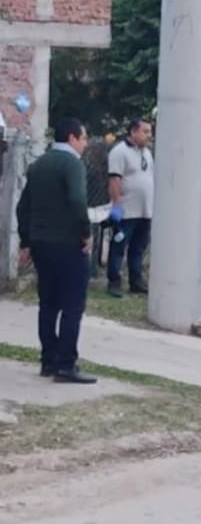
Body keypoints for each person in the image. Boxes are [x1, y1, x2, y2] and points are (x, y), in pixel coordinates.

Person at [16, 118, 96, 383]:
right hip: (68, 242)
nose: (85, 144)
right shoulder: (72, 164)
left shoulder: (40, 164)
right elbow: (77, 200)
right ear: (72, 138)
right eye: (83, 138)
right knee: (72, 305)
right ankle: (66, 364)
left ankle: (48, 360)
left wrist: (26, 241)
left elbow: (23, 207)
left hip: (41, 242)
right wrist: (85, 232)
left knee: (48, 304)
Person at [105, 118, 154, 297]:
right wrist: (116, 205)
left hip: (145, 210)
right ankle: (114, 281)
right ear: (133, 132)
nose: (149, 135)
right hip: (127, 210)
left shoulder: (146, 153)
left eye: (149, 132)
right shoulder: (120, 152)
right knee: (119, 246)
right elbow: (114, 180)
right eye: (145, 131)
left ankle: (136, 281)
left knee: (138, 247)